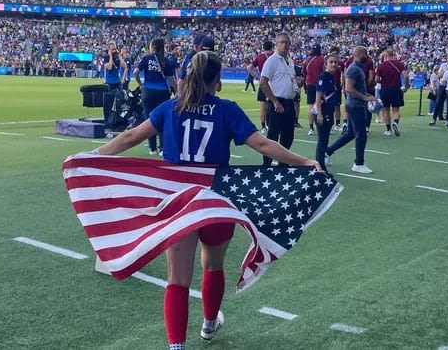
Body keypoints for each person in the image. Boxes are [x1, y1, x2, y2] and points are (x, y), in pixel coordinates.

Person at [93, 49, 320, 350]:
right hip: (214, 200)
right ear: (218, 80)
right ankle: (209, 325)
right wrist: (303, 161)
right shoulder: (227, 109)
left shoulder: (169, 108)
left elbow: (129, 138)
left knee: (178, 278)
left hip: (178, 202)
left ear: (187, 78)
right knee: (213, 267)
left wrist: (89, 158)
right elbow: (263, 144)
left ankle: (177, 346)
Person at [324, 45, 377, 174]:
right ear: (359, 54)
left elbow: (358, 88)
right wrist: (365, 98)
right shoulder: (354, 69)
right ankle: (358, 163)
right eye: (365, 54)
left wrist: (369, 96)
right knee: (361, 134)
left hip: (355, 104)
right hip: (355, 105)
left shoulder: (357, 68)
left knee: (351, 134)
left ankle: (328, 151)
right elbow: (349, 88)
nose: (367, 56)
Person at [259, 32, 299, 166]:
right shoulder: (272, 61)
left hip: (289, 102)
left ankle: (283, 164)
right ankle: (267, 165)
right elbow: (263, 82)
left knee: (288, 136)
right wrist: (275, 101)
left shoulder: (290, 61)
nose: (284, 45)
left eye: (286, 42)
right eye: (281, 42)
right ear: (276, 44)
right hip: (277, 102)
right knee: (273, 136)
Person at [134, 38, 176, 155]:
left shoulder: (147, 59)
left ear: (153, 47)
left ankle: (152, 148)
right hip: (162, 93)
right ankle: (163, 147)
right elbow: (171, 79)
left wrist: (140, 84)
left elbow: (136, 72)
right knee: (163, 119)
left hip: (148, 92)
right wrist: (177, 92)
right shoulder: (166, 61)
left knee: (149, 119)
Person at [313, 54, 339, 170]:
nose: (333, 64)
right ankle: (320, 167)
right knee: (322, 140)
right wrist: (319, 114)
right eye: (331, 62)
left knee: (325, 140)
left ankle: (320, 165)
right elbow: (318, 97)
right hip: (322, 112)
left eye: (335, 62)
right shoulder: (323, 78)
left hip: (329, 111)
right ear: (325, 64)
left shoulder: (331, 77)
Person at [374, 49, 408, 137]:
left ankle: (388, 129)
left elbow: (376, 80)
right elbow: (405, 76)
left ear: (385, 56)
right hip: (397, 89)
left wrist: (383, 81)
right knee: (396, 109)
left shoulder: (381, 66)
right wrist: (406, 87)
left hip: (385, 89)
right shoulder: (399, 64)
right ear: (393, 55)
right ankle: (395, 123)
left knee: (385, 109)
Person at [250, 40, 274, 134]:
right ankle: (272, 124)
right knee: (274, 103)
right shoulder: (275, 56)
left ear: (263, 47)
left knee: (262, 104)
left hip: (263, 82)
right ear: (272, 47)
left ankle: (263, 126)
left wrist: (257, 77)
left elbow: (249, 68)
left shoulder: (260, 57)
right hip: (273, 83)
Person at [102, 42, 123, 128]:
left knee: (119, 102)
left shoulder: (117, 58)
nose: (114, 51)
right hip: (109, 83)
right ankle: (107, 121)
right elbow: (109, 67)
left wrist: (119, 56)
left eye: (115, 49)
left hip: (117, 82)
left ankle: (117, 120)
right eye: (112, 49)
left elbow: (124, 65)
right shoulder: (106, 57)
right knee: (108, 103)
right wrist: (110, 56)